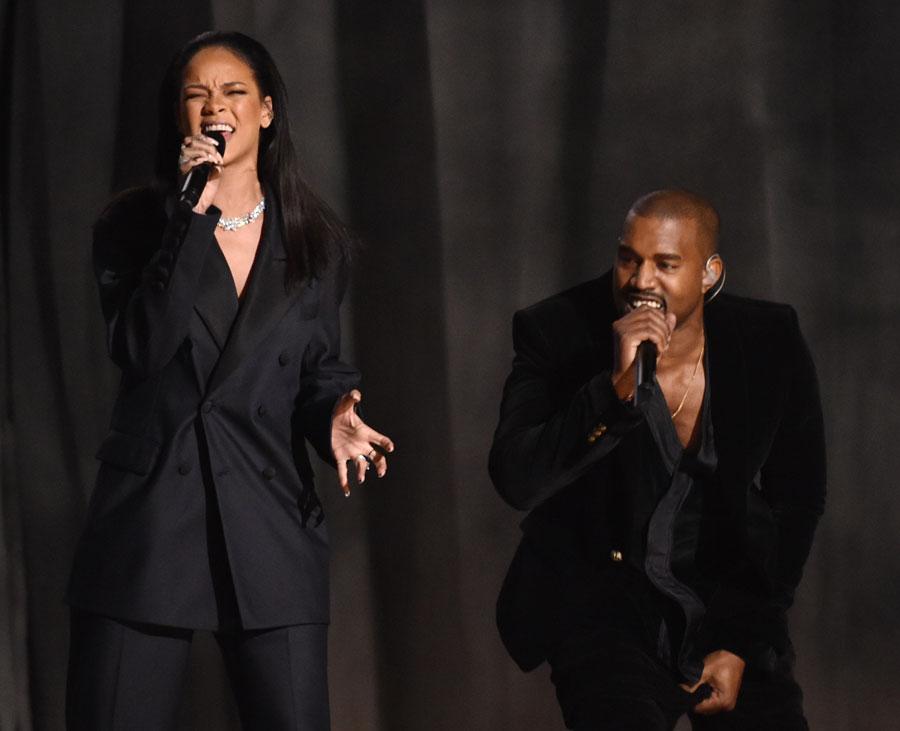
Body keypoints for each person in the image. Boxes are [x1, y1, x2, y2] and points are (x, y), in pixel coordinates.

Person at [66, 31, 394, 730]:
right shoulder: (132, 224)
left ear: (267, 111)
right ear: (179, 118)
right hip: (150, 521)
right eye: (196, 94)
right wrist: (191, 216)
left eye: (234, 91)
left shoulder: (315, 241)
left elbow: (315, 369)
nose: (215, 106)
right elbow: (143, 346)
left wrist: (333, 411)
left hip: (268, 519)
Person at [489, 190, 825, 730]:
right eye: (628, 258)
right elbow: (516, 478)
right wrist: (614, 392)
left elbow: (798, 499)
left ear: (710, 273)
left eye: (665, 264)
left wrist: (740, 641)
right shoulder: (556, 331)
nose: (641, 281)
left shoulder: (768, 339)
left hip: (728, 599)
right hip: (602, 603)